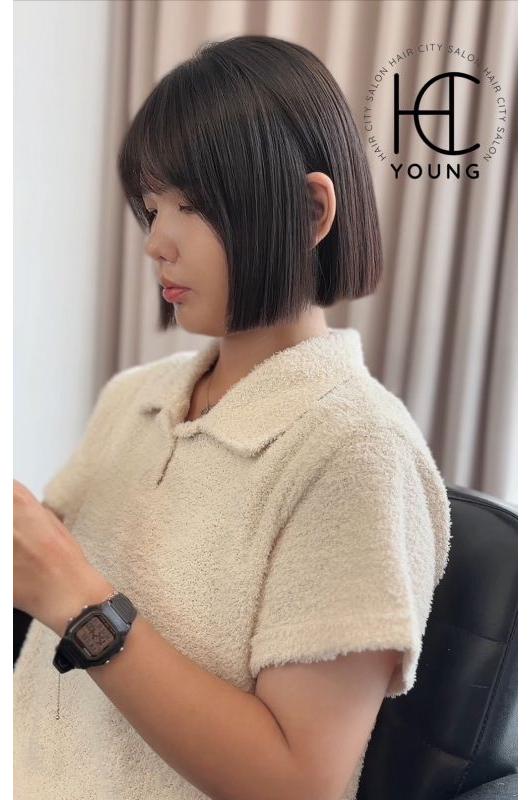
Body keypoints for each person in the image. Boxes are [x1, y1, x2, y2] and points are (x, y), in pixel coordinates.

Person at [13, 34, 452, 800]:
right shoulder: (136, 398)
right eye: (153, 207)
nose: (156, 243)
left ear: (310, 211)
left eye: (190, 205)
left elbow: (298, 782)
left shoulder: (357, 452)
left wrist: (79, 604)